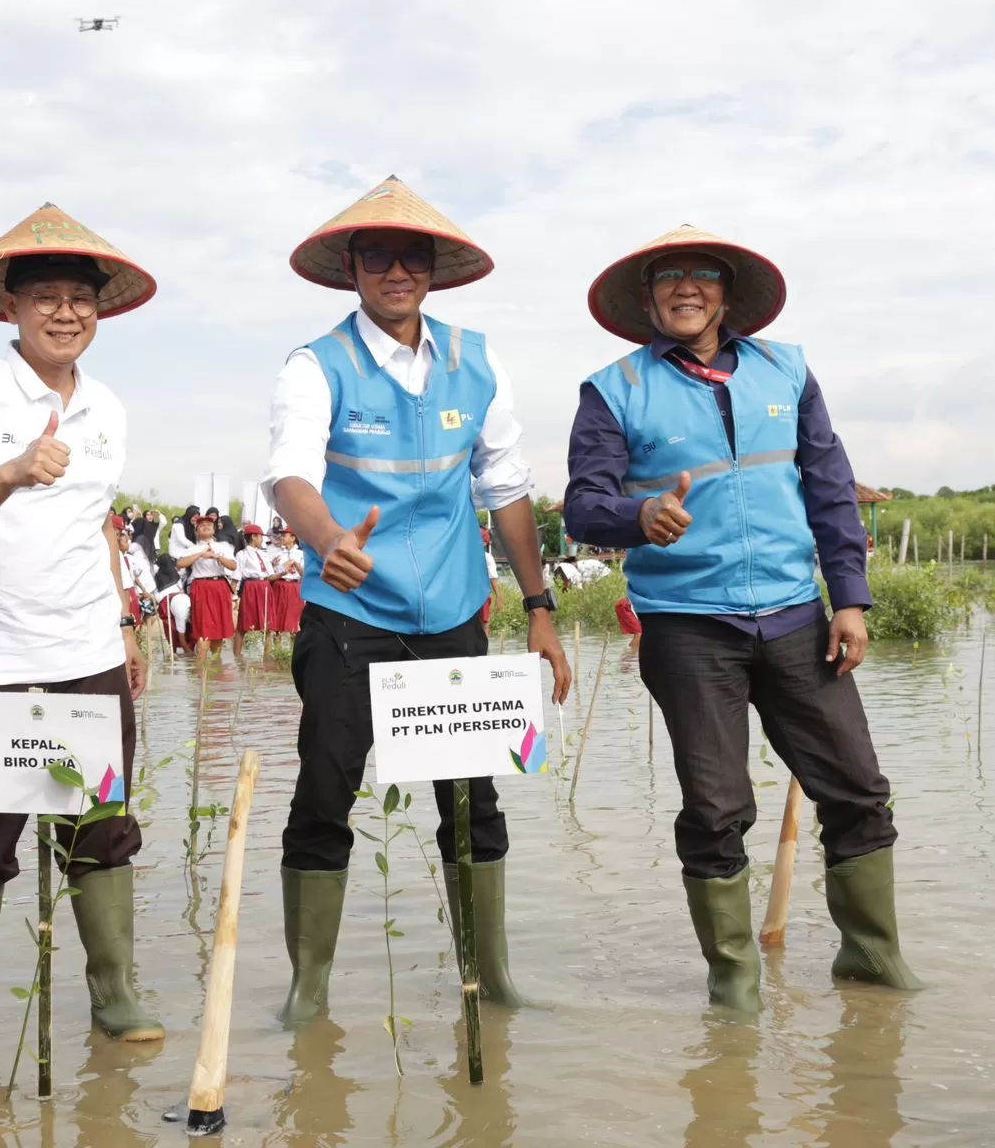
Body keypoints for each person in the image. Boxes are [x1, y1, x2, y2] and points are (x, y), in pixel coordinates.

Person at [564, 223, 919, 1012]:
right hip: (687, 625)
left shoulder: (786, 369)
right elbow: (586, 507)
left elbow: (830, 487)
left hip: (797, 617)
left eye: (703, 275)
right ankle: (734, 985)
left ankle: (871, 966)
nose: (685, 288)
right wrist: (641, 514)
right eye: (668, 277)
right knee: (718, 808)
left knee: (858, 789)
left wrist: (850, 599)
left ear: (727, 294)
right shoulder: (613, 388)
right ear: (648, 297)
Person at [266, 175, 572, 1023]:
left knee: (472, 799)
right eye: (376, 257)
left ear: (432, 269)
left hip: (453, 622)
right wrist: (328, 540)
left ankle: (491, 978)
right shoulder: (315, 364)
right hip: (349, 616)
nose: (394, 271)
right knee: (325, 795)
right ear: (353, 269)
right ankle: (309, 991)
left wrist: (539, 607)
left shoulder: (477, 362)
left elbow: (506, 488)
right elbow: (290, 474)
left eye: (411, 256)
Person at [0, 203, 159, 1053]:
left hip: (83, 651)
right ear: (9, 308)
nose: (65, 312)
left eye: (80, 298)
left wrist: (125, 621)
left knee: (99, 832)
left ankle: (115, 994)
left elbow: (98, 521)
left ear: (100, 310)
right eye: (45, 296)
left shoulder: (109, 409)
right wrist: (13, 470)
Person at [176, 512, 236, 655]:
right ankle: (200, 670)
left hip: (220, 586)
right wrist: (201, 555)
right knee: (204, 631)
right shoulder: (192, 548)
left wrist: (217, 557)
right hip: (202, 587)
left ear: (214, 529)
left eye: (209, 524)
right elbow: (180, 564)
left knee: (219, 633)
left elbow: (233, 566)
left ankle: (216, 669)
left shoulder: (223, 546)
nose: (206, 526)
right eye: (201, 525)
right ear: (196, 531)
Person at [233, 523, 274, 658]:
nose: (262, 540)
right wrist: (233, 596)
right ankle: (237, 656)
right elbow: (236, 576)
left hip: (265, 587)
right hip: (251, 587)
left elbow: (270, 574)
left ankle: (267, 656)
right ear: (254, 537)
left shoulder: (264, 554)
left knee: (268, 624)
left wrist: (284, 570)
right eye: (260, 537)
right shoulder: (242, 554)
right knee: (244, 623)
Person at [267, 528, 304, 641]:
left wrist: (295, 563)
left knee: (294, 618)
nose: (282, 538)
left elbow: (304, 574)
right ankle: (276, 648)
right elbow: (271, 573)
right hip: (280, 586)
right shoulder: (277, 554)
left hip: (294, 586)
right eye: (281, 535)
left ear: (293, 538)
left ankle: (293, 648)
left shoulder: (301, 554)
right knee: (277, 617)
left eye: (285, 535)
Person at [151, 552, 191, 655]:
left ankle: (174, 651)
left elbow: (154, 592)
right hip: (176, 600)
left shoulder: (156, 575)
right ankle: (187, 652)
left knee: (171, 630)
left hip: (166, 603)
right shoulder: (176, 575)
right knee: (185, 629)